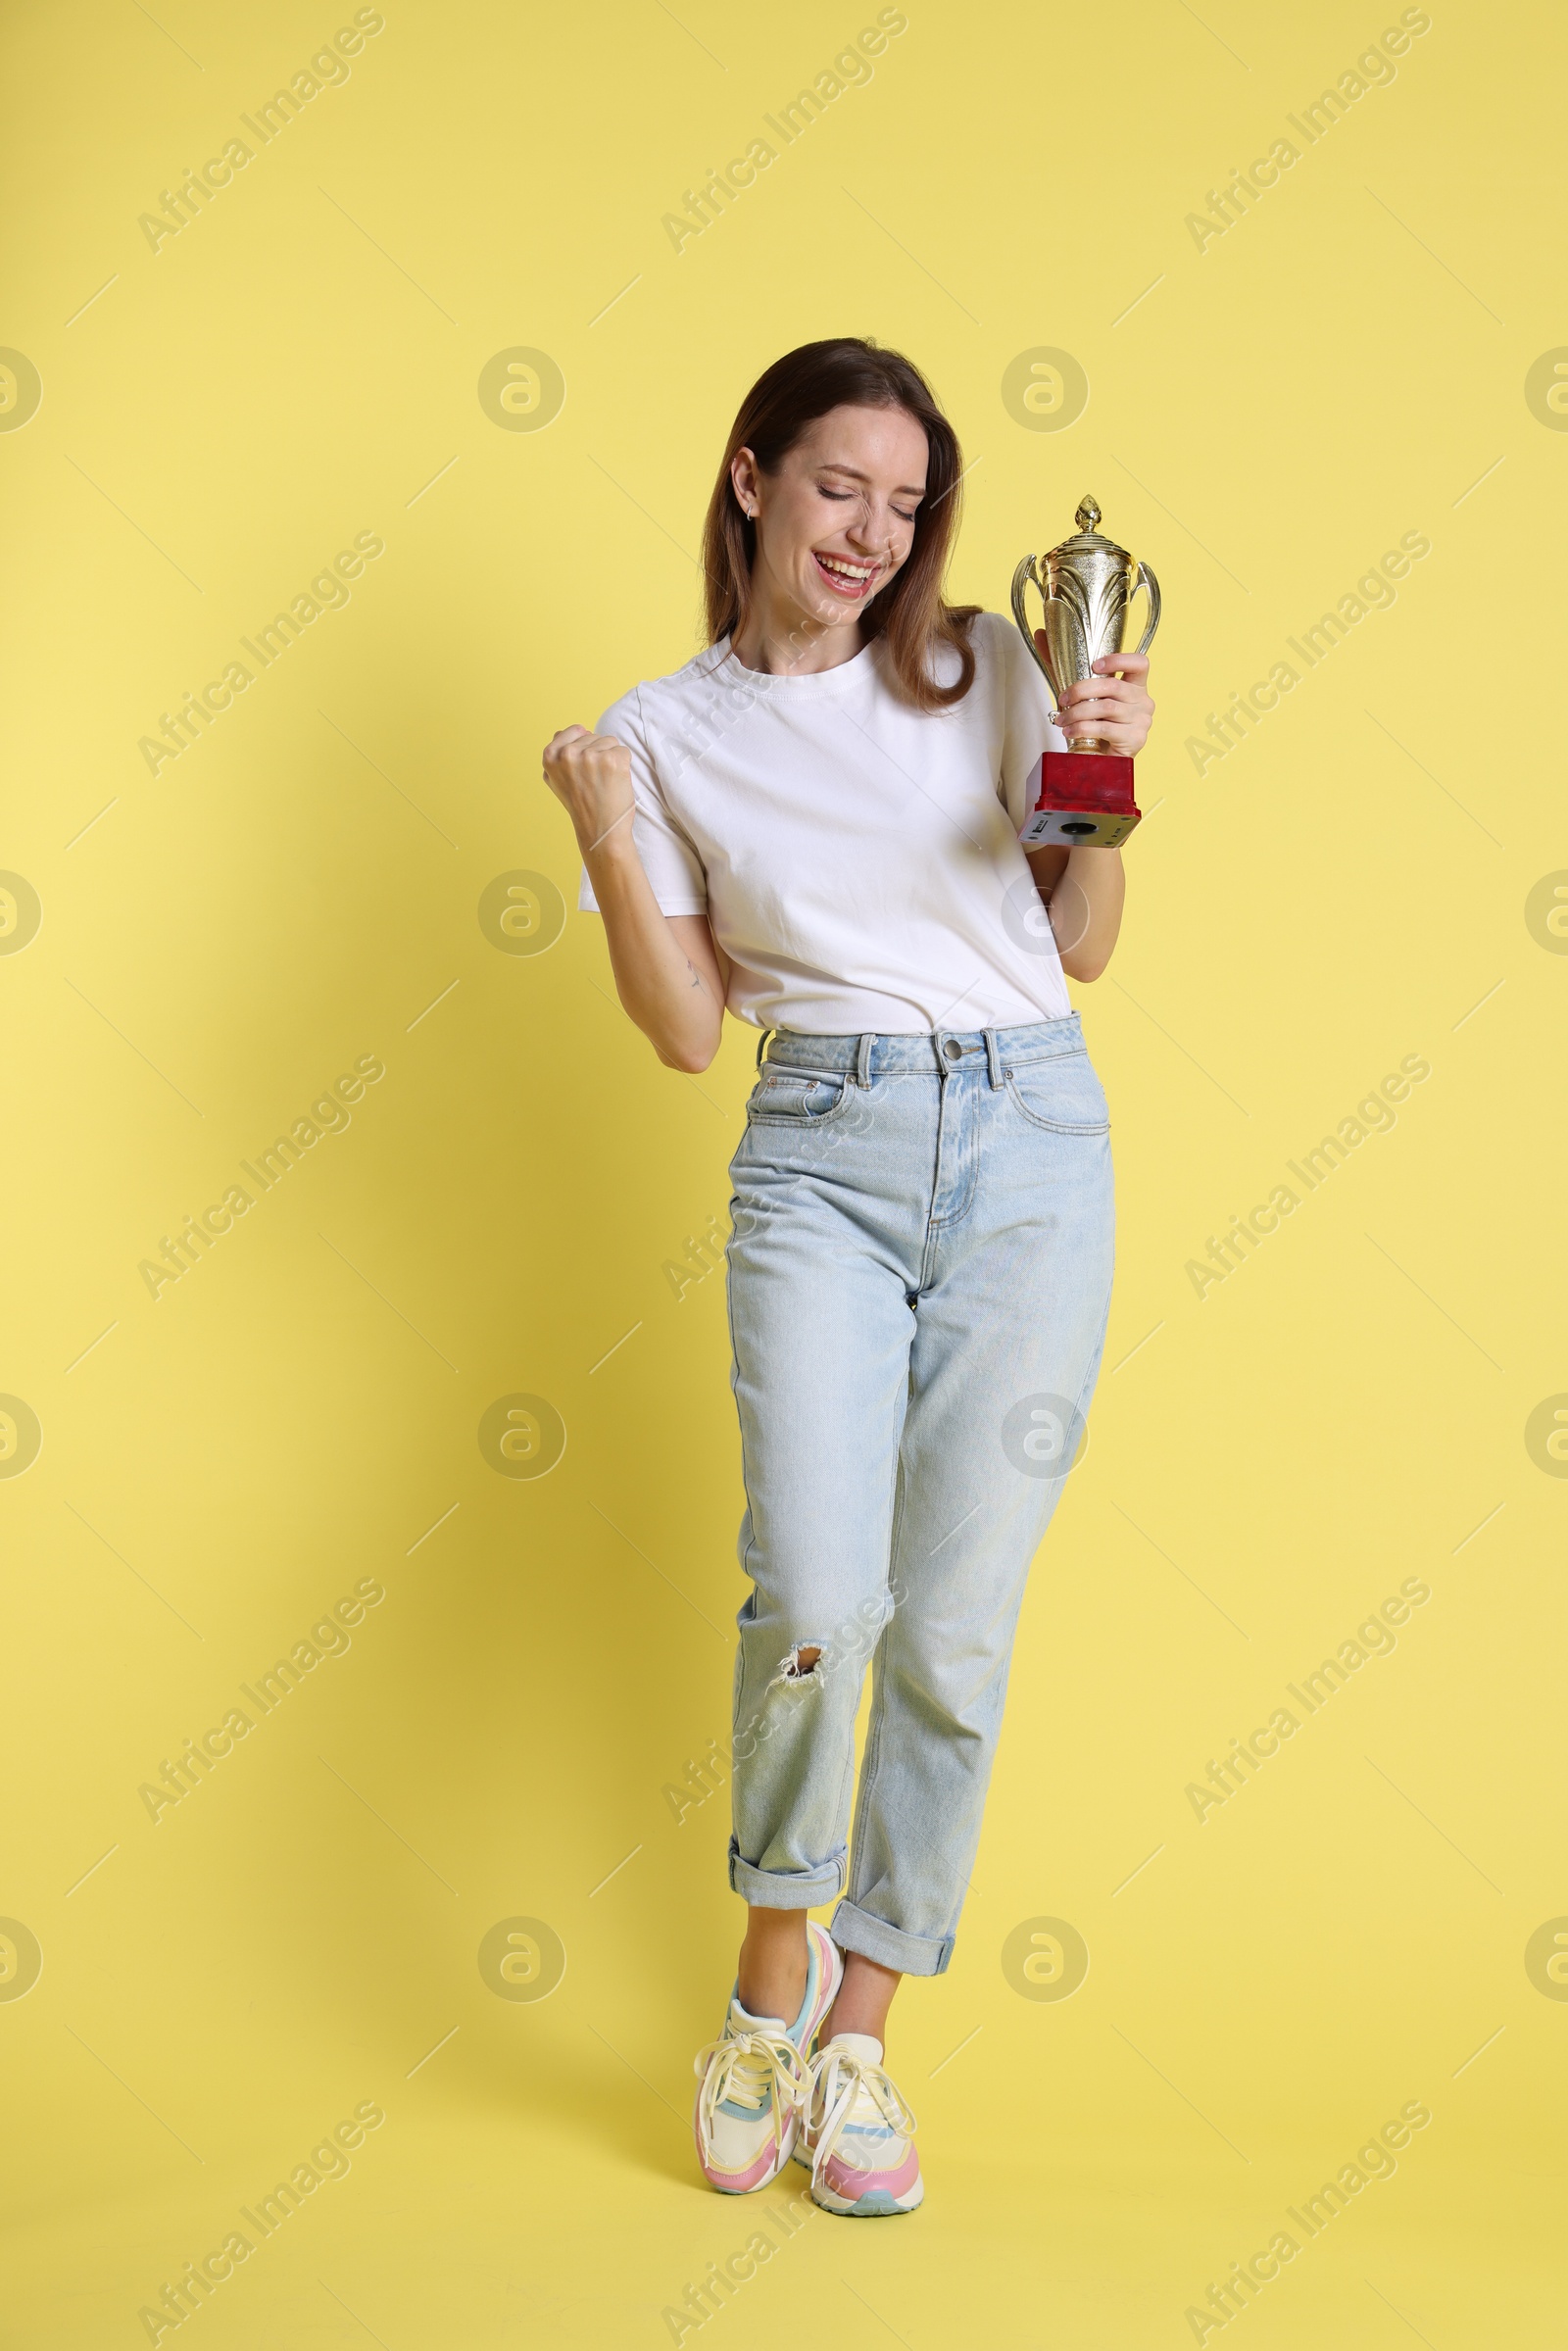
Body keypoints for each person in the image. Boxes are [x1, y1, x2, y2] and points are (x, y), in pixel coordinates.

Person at [543, 337, 1153, 2217]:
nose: (873, 537)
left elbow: (1088, 944)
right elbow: (681, 1026)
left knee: (954, 1630)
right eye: (839, 490)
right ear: (750, 479)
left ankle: (866, 2045)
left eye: (904, 505)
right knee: (819, 1587)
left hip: (1034, 1140)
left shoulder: (987, 664)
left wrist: (1112, 776)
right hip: (820, 1149)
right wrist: (591, 815)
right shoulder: (661, 732)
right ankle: (766, 1990)